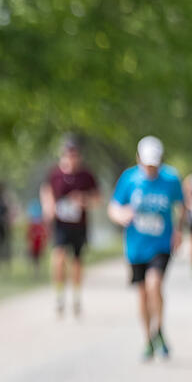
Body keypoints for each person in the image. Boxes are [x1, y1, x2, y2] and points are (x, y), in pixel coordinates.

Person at [108, 135, 184, 360]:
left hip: (161, 244)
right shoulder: (129, 179)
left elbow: (180, 205)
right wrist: (121, 215)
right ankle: (148, 339)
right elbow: (113, 207)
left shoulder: (171, 179)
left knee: (155, 284)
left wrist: (178, 231)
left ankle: (159, 328)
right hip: (136, 247)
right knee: (142, 294)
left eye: (155, 164)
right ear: (139, 159)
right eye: (147, 164)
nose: (151, 168)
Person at [40, 136, 99, 316]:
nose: (71, 158)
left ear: (78, 156)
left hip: (79, 225)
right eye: (68, 154)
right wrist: (48, 207)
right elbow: (46, 190)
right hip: (61, 224)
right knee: (58, 258)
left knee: (77, 262)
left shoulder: (86, 175)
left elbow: (97, 198)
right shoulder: (55, 174)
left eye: (74, 154)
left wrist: (84, 201)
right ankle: (59, 295)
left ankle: (76, 296)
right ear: (63, 155)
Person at [25, 200, 47, 279]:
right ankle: (31, 272)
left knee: (38, 260)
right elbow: (28, 237)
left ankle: (37, 273)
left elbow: (44, 237)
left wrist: (44, 245)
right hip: (33, 246)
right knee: (31, 259)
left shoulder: (41, 227)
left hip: (39, 246)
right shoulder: (31, 227)